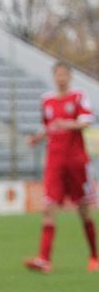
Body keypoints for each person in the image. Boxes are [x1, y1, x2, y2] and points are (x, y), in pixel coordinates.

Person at [24, 61, 97, 273]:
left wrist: (67, 123)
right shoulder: (46, 101)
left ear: (70, 77)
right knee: (48, 207)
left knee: (83, 211)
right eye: (58, 74)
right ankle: (44, 259)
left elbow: (86, 121)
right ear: (53, 76)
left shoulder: (78, 97)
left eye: (64, 74)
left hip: (76, 162)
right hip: (54, 161)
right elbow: (48, 127)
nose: (61, 78)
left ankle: (94, 256)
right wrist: (37, 138)